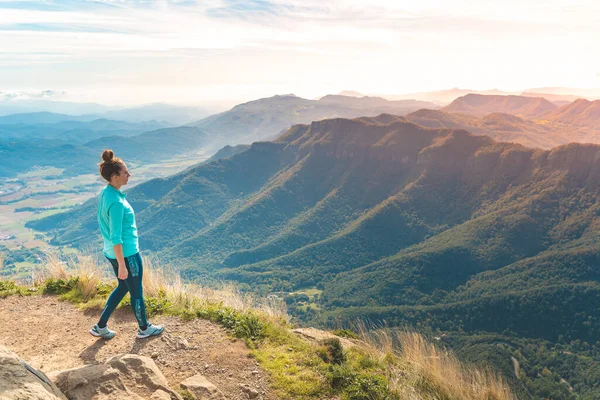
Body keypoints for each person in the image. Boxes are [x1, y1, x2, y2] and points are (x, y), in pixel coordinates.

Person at [89, 149, 164, 340]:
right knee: (136, 292)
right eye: (125, 172)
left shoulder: (107, 193)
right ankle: (144, 328)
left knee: (123, 287)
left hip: (112, 252)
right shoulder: (116, 203)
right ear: (114, 176)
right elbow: (116, 236)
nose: (129, 175)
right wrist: (123, 264)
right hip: (127, 254)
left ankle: (100, 326)